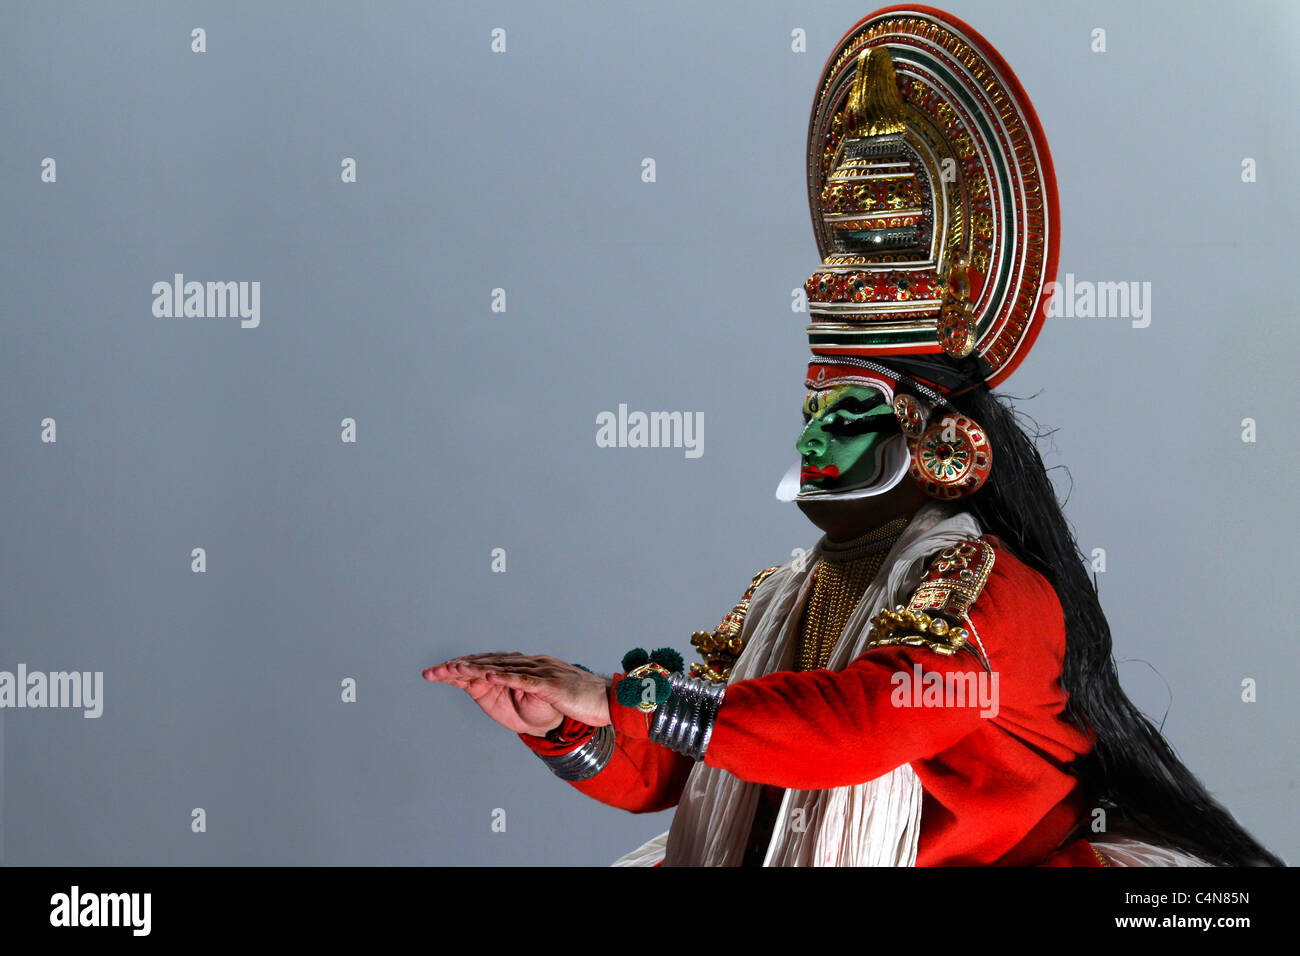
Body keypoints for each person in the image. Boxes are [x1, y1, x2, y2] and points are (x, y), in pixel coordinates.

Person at [423, 6, 1283, 867]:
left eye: (847, 411)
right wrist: (568, 724)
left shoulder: (989, 589)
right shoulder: (793, 593)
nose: (815, 438)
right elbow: (698, 768)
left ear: (941, 439)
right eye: (813, 412)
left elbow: (857, 727)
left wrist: (626, 697)